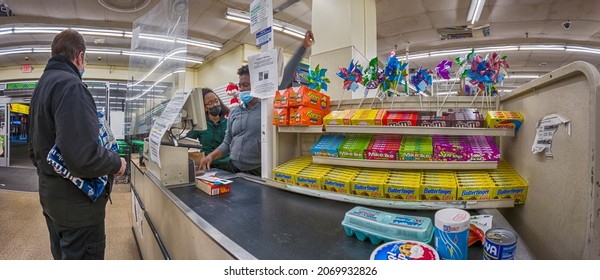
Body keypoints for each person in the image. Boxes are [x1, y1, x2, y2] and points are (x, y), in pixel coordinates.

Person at [28, 29, 126, 260]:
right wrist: (116, 162)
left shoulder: (41, 88)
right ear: (80, 56)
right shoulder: (71, 86)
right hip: (78, 210)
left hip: (52, 200)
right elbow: (85, 157)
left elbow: (34, 151)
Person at [198, 30, 314, 176]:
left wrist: (303, 47)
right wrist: (210, 156)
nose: (241, 89)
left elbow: (285, 77)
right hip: (233, 168)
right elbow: (227, 143)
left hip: (257, 170)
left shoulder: (267, 107)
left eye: (246, 85)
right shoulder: (235, 112)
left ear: (257, 85)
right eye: (240, 86)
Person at [185, 88, 231, 170]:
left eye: (216, 101)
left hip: (227, 167)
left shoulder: (229, 123)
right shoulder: (200, 125)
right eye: (210, 103)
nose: (215, 105)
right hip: (208, 167)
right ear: (204, 107)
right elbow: (186, 142)